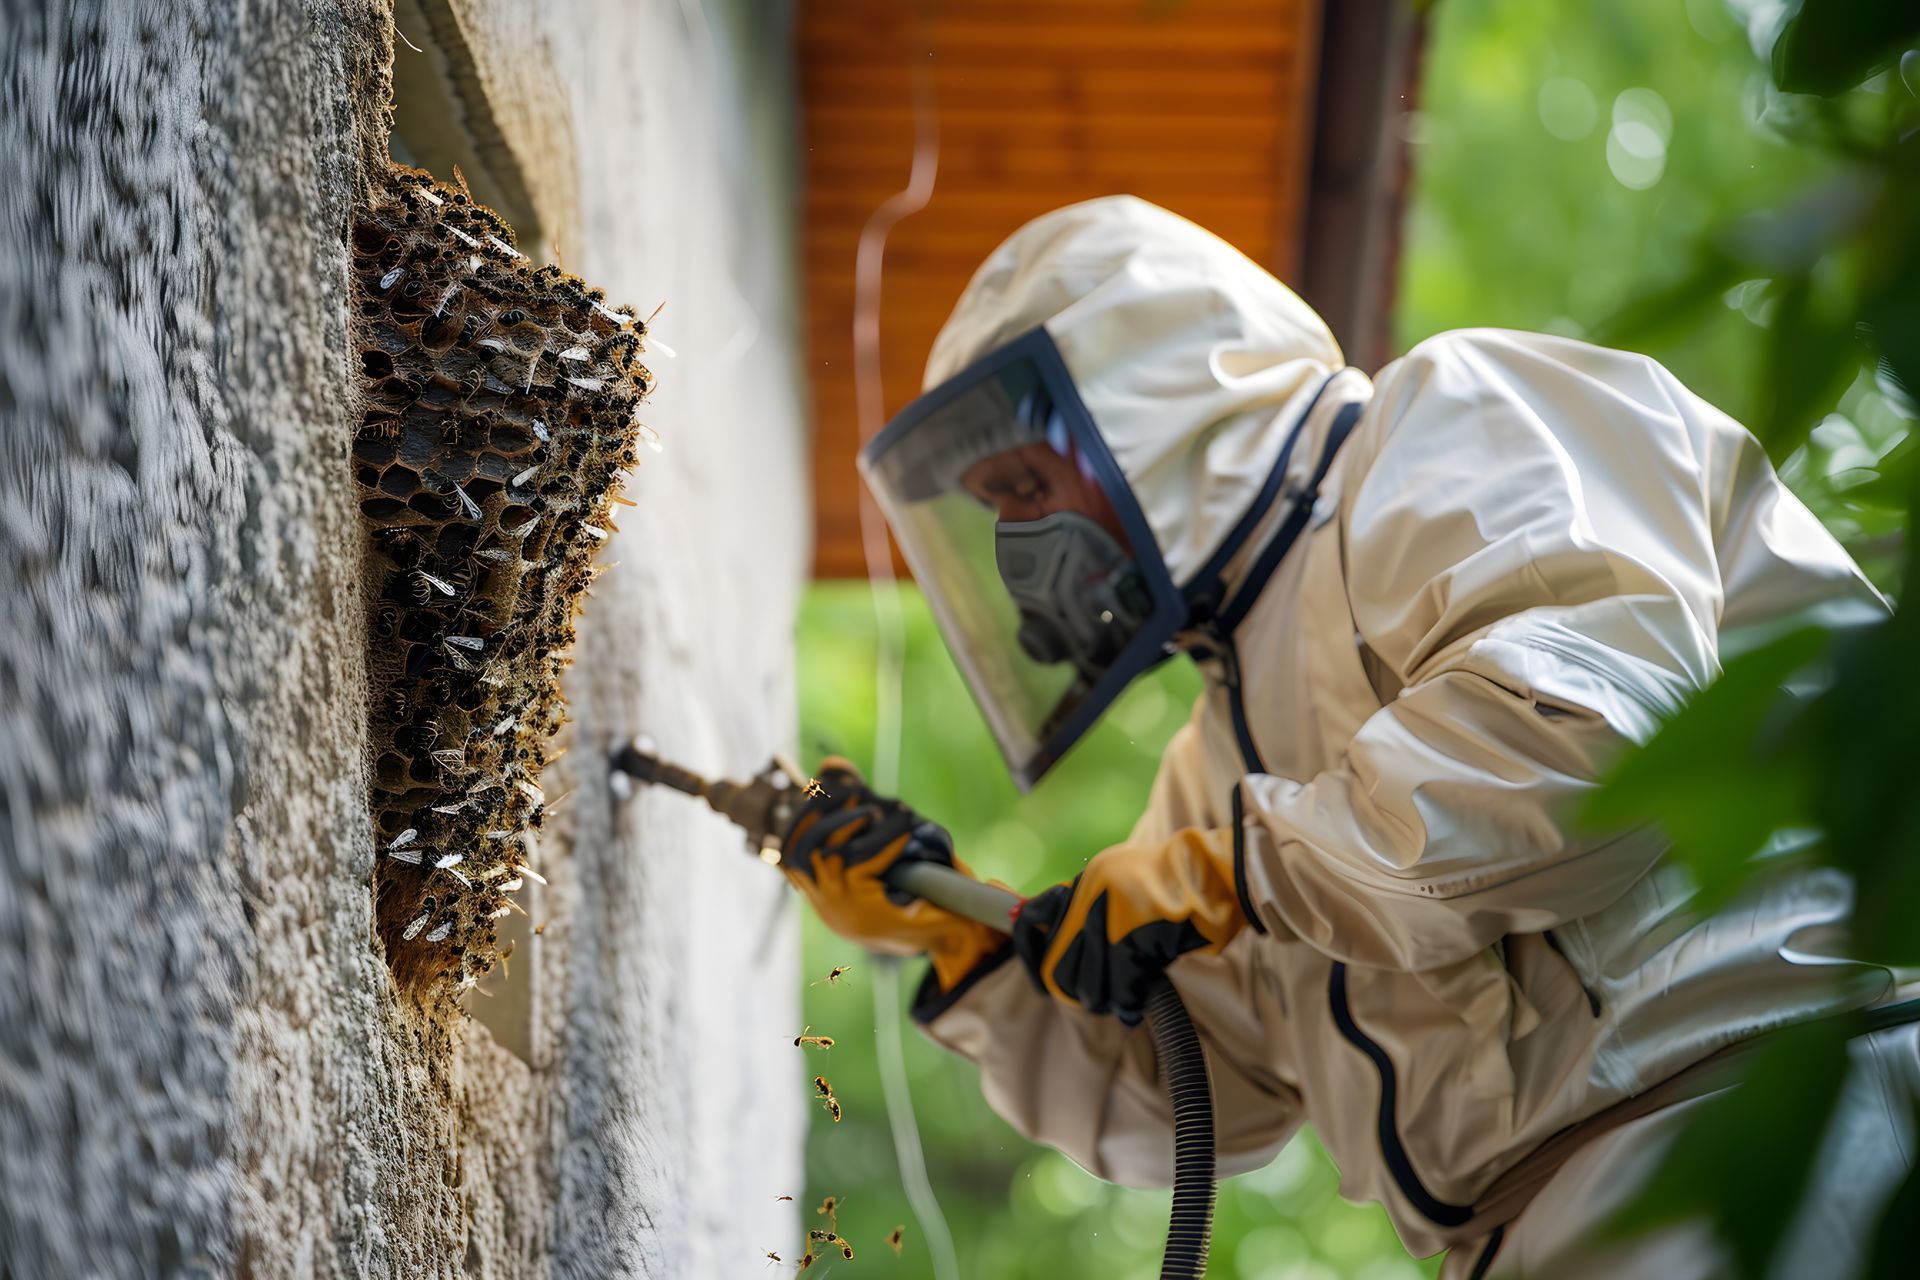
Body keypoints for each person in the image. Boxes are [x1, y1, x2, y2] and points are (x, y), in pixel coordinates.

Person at [779, 196, 1917, 1277]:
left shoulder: (1448, 419)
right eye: (996, 511)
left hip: (1771, 1111)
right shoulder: (1218, 759)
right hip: (1534, 1226)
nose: (1020, 546)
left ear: (1139, 398)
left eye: (1025, 483)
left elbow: (1593, 739)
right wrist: (969, 949)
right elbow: (1197, 1092)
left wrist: (1248, 870)